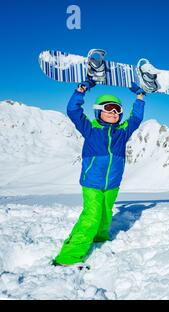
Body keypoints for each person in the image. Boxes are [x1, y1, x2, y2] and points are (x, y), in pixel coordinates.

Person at [53, 78, 146, 266]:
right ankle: (68, 257)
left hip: (112, 183)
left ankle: (100, 239)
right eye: (108, 108)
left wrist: (139, 96)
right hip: (92, 182)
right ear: (98, 111)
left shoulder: (122, 131)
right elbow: (73, 111)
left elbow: (136, 118)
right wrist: (81, 90)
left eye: (117, 109)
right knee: (91, 216)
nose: (113, 112)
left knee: (105, 214)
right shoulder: (91, 129)